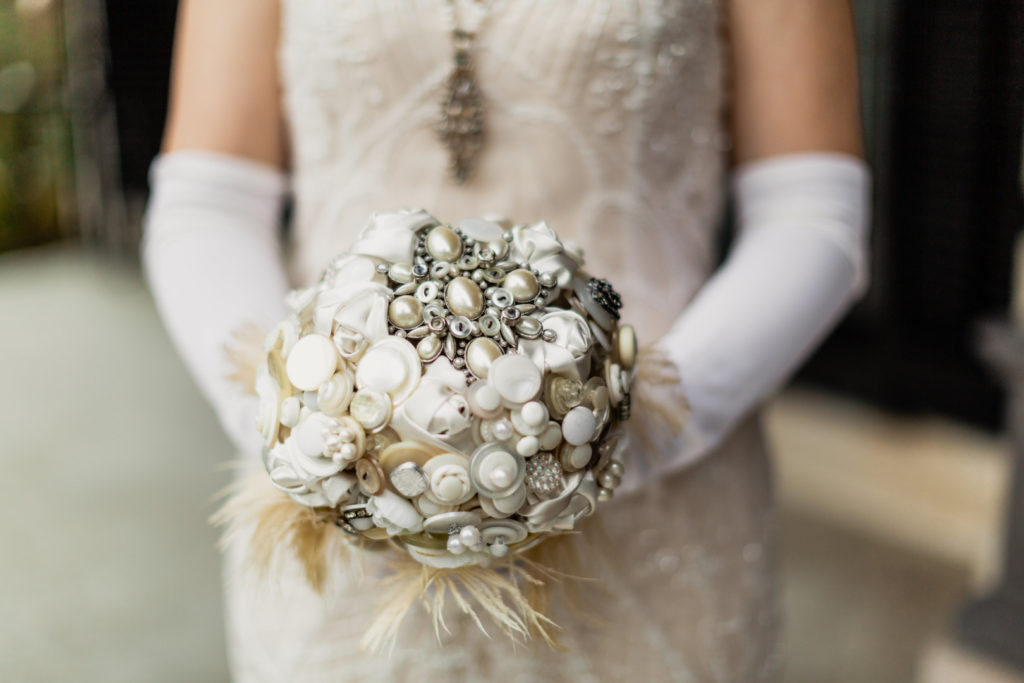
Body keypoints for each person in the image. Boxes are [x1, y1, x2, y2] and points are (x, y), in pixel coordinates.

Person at [142, 0, 869, 680]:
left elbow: (810, 207)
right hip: (340, 535)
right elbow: (211, 197)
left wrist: (624, 438)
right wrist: (301, 434)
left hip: (656, 515)